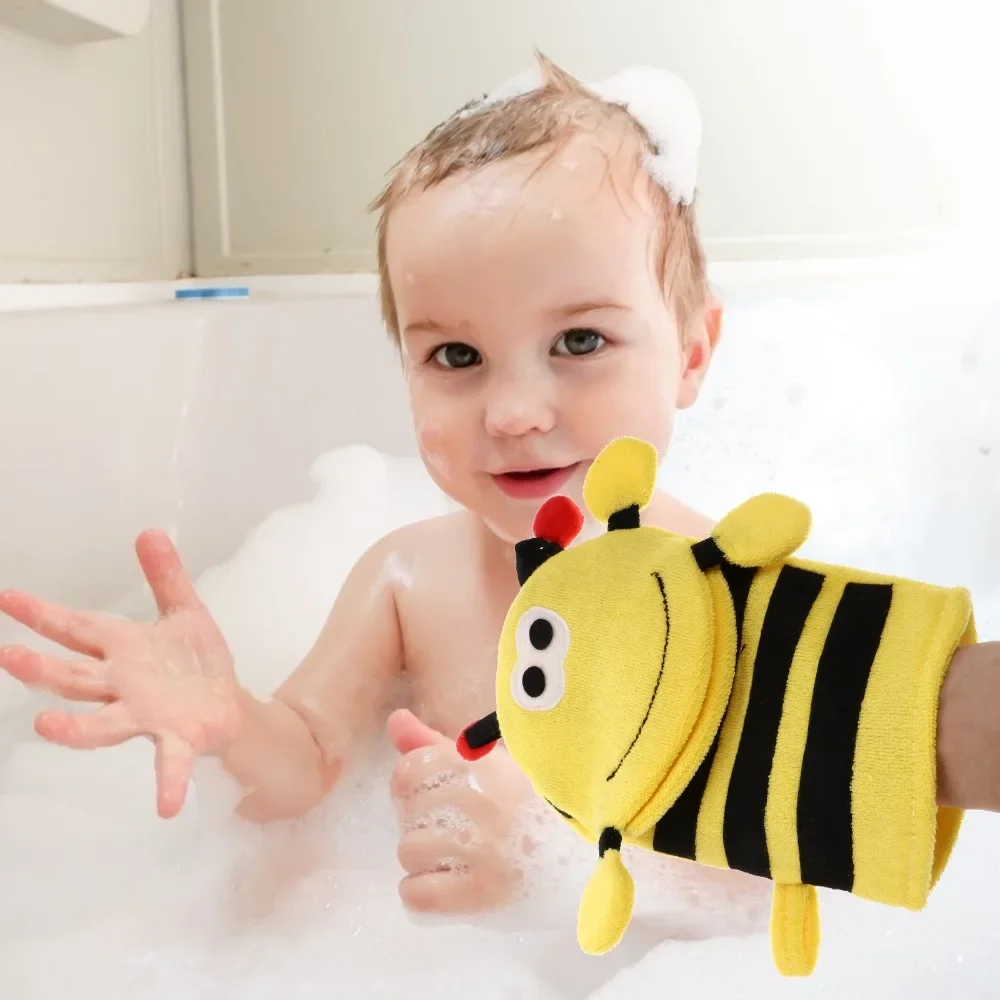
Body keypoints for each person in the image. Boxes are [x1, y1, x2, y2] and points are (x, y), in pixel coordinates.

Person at [1, 53, 992, 930]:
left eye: (578, 342)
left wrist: (549, 861)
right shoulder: (402, 580)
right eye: (456, 354)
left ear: (691, 353)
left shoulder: (724, 589)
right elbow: (302, 766)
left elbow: (773, 858)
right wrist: (227, 719)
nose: (513, 410)